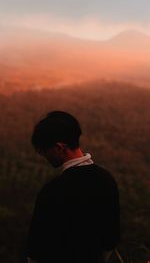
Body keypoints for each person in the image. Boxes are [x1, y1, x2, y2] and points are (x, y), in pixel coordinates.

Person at [26, 110, 120, 263]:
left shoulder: (54, 190)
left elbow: (36, 250)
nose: (44, 157)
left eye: (44, 151)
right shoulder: (107, 179)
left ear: (59, 148)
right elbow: (110, 239)